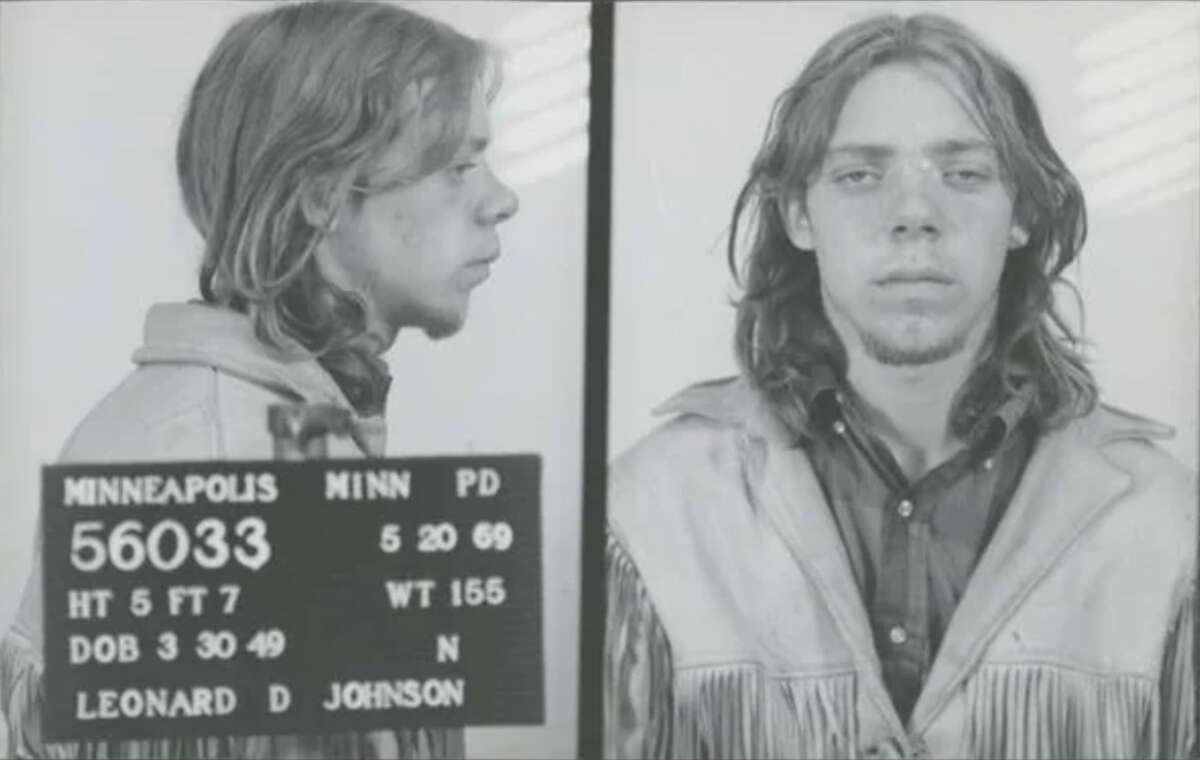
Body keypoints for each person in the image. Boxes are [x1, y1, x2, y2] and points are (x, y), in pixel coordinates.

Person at [605, 12, 1195, 759]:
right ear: (797, 213)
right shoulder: (654, 511)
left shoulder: (1165, 523)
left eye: (964, 174)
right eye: (860, 175)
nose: (915, 215)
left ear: (1020, 213)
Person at [1, 2, 517, 758]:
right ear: (323, 196)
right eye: (459, 165)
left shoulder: (287, 424)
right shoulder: (215, 467)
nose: (502, 198)